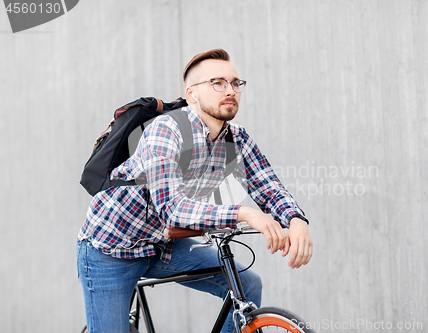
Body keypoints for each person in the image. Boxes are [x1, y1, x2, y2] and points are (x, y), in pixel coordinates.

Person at [76, 48, 313, 333]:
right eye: (217, 82)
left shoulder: (237, 139)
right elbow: (173, 210)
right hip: (112, 250)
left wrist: (296, 220)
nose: (230, 90)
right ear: (192, 94)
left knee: (248, 284)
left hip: (163, 246)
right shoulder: (167, 130)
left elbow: (269, 187)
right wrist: (245, 213)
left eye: (235, 83)